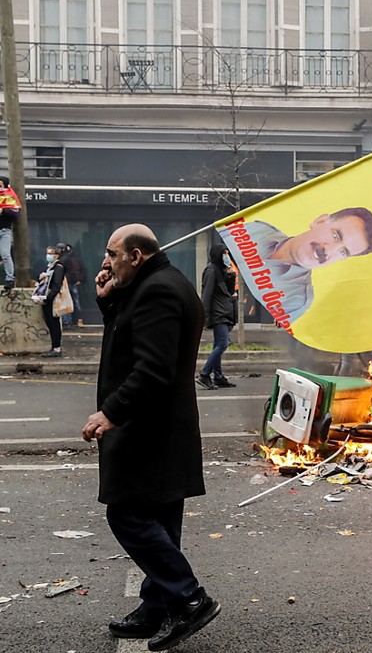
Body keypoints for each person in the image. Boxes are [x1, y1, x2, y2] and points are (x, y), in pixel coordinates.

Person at [81, 224, 220, 651]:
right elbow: (130, 338)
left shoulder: (158, 291)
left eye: (112, 254)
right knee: (160, 520)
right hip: (163, 430)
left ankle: (190, 598)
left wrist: (110, 412)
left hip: (149, 431)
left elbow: (153, 369)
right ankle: (155, 607)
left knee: (128, 515)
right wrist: (110, 302)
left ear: (136, 256)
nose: (106, 262)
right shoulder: (156, 285)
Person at [243, 207, 372, 323]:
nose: (328, 250)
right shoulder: (256, 230)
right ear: (320, 221)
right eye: (336, 235)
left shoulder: (296, 300)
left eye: (343, 251)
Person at [196, 244, 238, 390]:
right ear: (217, 255)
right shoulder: (211, 270)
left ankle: (218, 376)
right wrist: (203, 316)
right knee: (223, 344)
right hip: (218, 314)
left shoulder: (221, 270)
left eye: (227, 253)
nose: (226, 256)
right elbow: (206, 295)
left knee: (218, 344)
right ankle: (204, 374)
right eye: (223, 254)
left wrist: (231, 276)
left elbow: (230, 291)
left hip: (224, 313)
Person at [35, 245, 66, 357]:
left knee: (54, 324)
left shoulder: (58, 267)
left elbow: (56, 285)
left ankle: (56, 348)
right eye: (47, 253)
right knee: (50, 323)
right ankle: (54, 347)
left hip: (52, 299)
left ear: (56, 255)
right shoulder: (50, 267)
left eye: (50, 254)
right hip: (46, 298)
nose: (48, 256)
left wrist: (49, 298)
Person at [0, 175, 21, 295]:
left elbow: (15, 212)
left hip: (4, 230)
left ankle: (9, 279)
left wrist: (4, 210)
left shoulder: (9, 196)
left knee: (5, 255)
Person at [57, 242, 85, 328]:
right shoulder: (73, 258)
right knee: (75, 302)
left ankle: (67, 322)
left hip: (67, 282)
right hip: (73, 282)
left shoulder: (63, 259)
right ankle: (78, 320)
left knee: (66, 302)